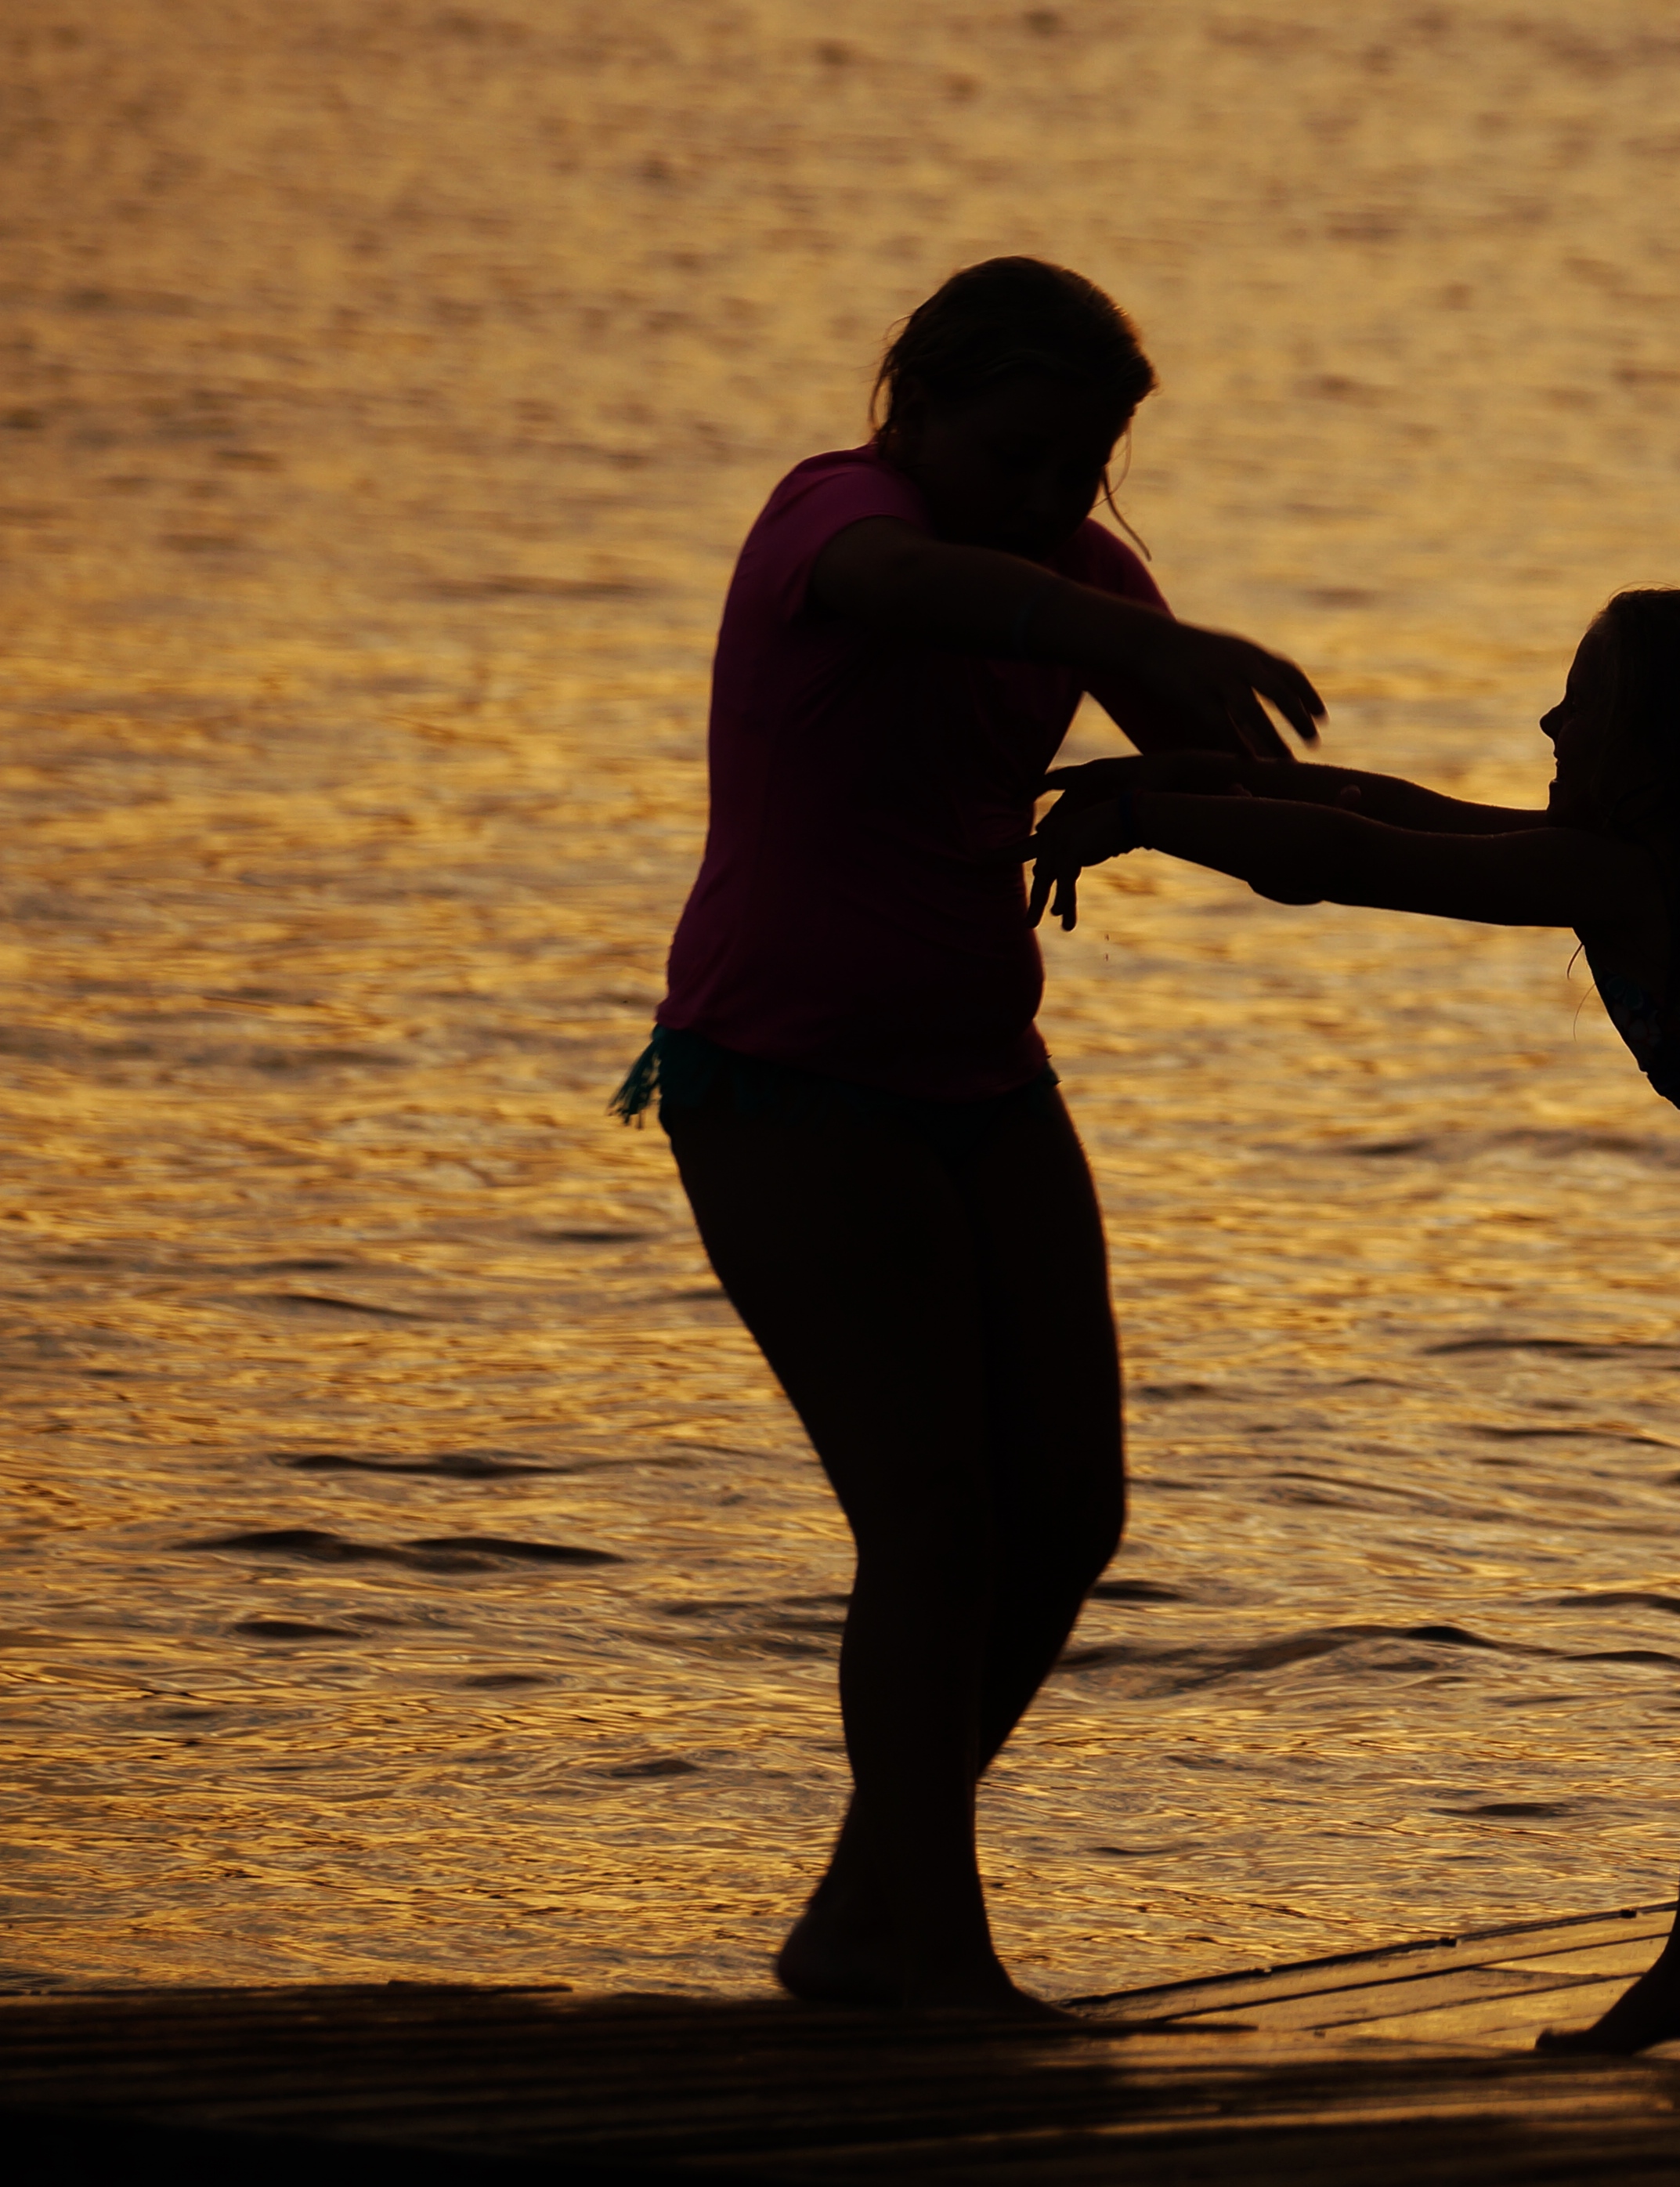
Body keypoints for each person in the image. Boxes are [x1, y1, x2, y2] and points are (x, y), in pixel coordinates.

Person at [1018, 589, 1680, 2076]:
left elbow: (1360, 859)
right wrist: (1174, 777)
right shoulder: (1650, 867)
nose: (1550, 720)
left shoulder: (1645, 880)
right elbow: (1384, 806)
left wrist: (1153, 825)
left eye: (1582, 699)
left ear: (1657, 746)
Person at [612, 258, 1325, 2012]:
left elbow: (1260, 809)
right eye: (1017, 456)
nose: (1051, 500)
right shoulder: (835, 513)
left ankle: (873, 1903)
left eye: (1083, 469)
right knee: (932, 1521)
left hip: (984, 1081)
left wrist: (1198, 794)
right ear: (913, 408)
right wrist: (1119, 635)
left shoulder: (1084, 581)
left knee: (1066, 1513)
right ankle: (925, 1936)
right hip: (783, 1079)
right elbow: (910, 584)